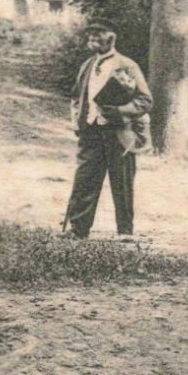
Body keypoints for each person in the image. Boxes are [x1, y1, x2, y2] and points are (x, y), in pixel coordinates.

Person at [62, 21, 152, 238]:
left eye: (97, 34)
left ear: (111, 38)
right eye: (90, 34)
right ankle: (79, 229)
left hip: (120, 132)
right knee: (85, 179)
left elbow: (145, 101)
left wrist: (120, 111)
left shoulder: (127, 65)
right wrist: (77, 120)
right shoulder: (87, 65)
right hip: (91, 132)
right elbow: (76, 97)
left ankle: (125, 232)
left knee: (122, 181)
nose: (92, 38)